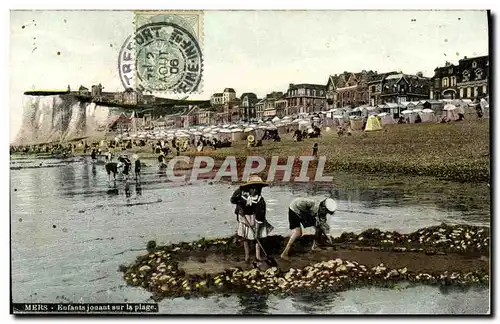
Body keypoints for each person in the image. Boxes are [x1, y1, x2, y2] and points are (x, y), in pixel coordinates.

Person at [230, 175, 273, 266]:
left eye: (257, 188)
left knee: (257, 238)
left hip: (256, 220)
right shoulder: (242, 195)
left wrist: (256, 231)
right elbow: (233, 200)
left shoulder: (260, 201)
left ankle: (258, 257)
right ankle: (247, 256)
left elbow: (260, 217)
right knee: (245, 237)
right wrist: (239, 209)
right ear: (248, 188)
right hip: (244, 218)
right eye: (252, 188)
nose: (254, 190)